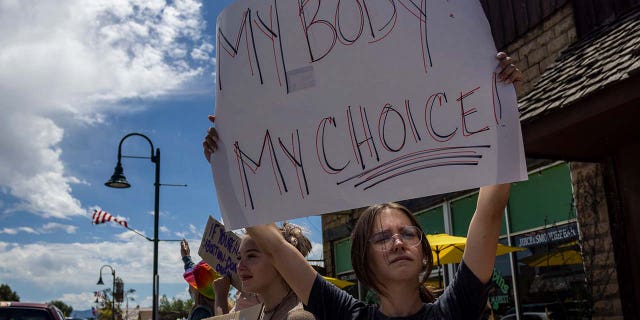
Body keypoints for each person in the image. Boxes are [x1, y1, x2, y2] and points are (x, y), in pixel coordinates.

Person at [203, 52, 522, 319]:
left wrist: (501, 102)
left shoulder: (454, 310)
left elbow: (491, 210)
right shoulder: (344, 314)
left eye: (408, 234)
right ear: (363, 260)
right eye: (383, 237)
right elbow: (273, 243)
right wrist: (232, 160)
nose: (398, 243)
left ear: (424, 254)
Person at [212, 223, 317, 320]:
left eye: (251, 256)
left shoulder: (297, 317)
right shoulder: (259, 313)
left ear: (280, 260)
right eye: (239, 258)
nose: (240, 266)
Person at [180, 239, 217, 320]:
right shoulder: (220, 306)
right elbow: (193, 269)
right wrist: (186, 257)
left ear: (199, 292)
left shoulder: (201, 313)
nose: (190, 284)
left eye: (192, 282)